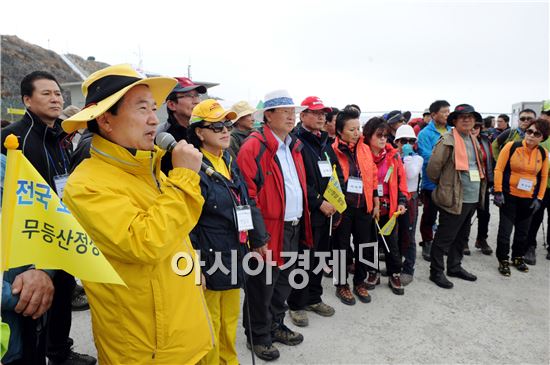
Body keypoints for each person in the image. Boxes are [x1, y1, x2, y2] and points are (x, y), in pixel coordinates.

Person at [60, 64, 214, 363]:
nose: (154, 119)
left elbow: (174, 232)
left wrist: (191, 268)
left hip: (184, 333)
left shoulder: (149, 166)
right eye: (142, 108)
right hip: (147, 347)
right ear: (105, 121)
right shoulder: (87, 184)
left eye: (154, 108)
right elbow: (146, 241)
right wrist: (183, 177)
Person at [0, 71, 95, 365]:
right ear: (27, 100)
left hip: (61, 229)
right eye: (46, 94)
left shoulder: (59, 136)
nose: (55, 98)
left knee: (63, 292)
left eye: (58, 93)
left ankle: (59, 350)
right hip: (30, 238)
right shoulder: (13, 138)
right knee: (33, 309)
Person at [186, 99, 268, 365]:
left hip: (235, 251)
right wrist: (195, 265)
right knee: (210, 323)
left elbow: (247, 200)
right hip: (210, 257)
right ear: (199, 132)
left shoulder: (229, 159)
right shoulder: (191, 167)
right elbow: (188, 222)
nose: (225, 131)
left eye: (228, 124)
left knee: (229, 320)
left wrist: (258, 239)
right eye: (217, 125)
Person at [237, 89, 313, 362]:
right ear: (268, 115)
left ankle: (276, 324)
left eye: (293, 111)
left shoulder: (293, 145)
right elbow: (248, 195)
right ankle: (258, 336)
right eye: (285, 111)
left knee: (283, 283)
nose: (291, 116)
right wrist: (258, 237)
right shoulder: (254, 147)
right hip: (268, 231)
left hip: (292, 226)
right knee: (262, 286)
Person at [287, 96, 340, 327]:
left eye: (323, 114)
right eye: (316, 112)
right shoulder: (295, 142)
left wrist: (337, 203)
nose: (321, 117)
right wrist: (319, 202)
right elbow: (297, 180)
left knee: (320, 256)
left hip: (327, 212)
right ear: (303, 115)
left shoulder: (325, 143)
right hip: (307, 212)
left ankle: (314, 298)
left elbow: (336, 174)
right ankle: (297, 304)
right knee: (302, 260)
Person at [427, 104, 486, 289]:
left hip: (471, 197)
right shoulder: (447, 140)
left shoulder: (473, 139)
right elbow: (433, 170)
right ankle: (436, 271)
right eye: (462, 117)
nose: (467, 120)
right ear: (454, 121)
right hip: (454, 197)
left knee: (462, 236)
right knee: (445, 237)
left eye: (470, 117)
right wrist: (446, 186)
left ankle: (454, 266)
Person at [331, 107, 379, 304]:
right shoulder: (332, 151)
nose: (357, 133)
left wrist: (375, 200)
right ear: (340, 131)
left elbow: (373, 176)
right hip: (343, 208)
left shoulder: (365, 149)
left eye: (358, 128)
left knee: (364, 245)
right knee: (341, 247)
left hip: (364, 206)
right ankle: (341, 285)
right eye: (352, 129)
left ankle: (360, 281)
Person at [493, 118, 549, 276]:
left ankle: (518, 257)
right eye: (529, 131)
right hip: (509, 196)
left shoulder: (543, 154)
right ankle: (503, 259)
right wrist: (498, 191)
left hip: (529, 198)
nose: (531, 135)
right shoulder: (512, 146)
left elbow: (543, 177)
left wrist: (539, 198)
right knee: (505, 231)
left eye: (536, 133)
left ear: (542, 137)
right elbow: (499, 169)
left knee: (523, 232)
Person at [363, 117, 408, 295]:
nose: (383, 139)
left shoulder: (393, 156)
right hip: (368, 208)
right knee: (369, 242)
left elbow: (401, 181)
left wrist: (402, 202)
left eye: (386, 135)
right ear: (368, 136)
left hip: (389, 208)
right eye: (379, 135)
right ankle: (372, 272)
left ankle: (394, 273)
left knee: (391, 243)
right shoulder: (361, 155)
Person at [417, 100, 451, 261]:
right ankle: (427, 242)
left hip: (449, 183)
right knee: (429, 216)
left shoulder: (453, 131)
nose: (447, 115)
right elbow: (427, 157)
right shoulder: (425, 134)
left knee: (447, 216)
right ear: (433, 115)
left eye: (448, 111)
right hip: (431, 182)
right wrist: (448, 163)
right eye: (444, 112)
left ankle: (441, 244)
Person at [158, 76, 207, 174]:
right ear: (172, 105)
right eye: (189, 96)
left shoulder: (206, 130)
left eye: (197, 95)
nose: (197, 101)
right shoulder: (163, 139)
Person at [394, 124, 423, 285]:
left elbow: (411, 174)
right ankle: (396, 265)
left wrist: (407, 156)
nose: (407, 144)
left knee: (409, 236)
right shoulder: (391, 157)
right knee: (395, 235)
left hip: (410, 199)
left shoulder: (417, 158)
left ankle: (408, 269)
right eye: (403, 141)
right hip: (394, 199)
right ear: (396, 142)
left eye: (411, 141)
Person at [468, 117, 495, 255]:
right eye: (471, 127)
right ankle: (463, 240)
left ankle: (482, 239)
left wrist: (492, 180)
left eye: (476, 127)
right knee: (467, 213)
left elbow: (490, 159)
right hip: (466, 182)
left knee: (484, 213)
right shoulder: (462, 141)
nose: (473, 130)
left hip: (483, 182)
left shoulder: (485, 141)